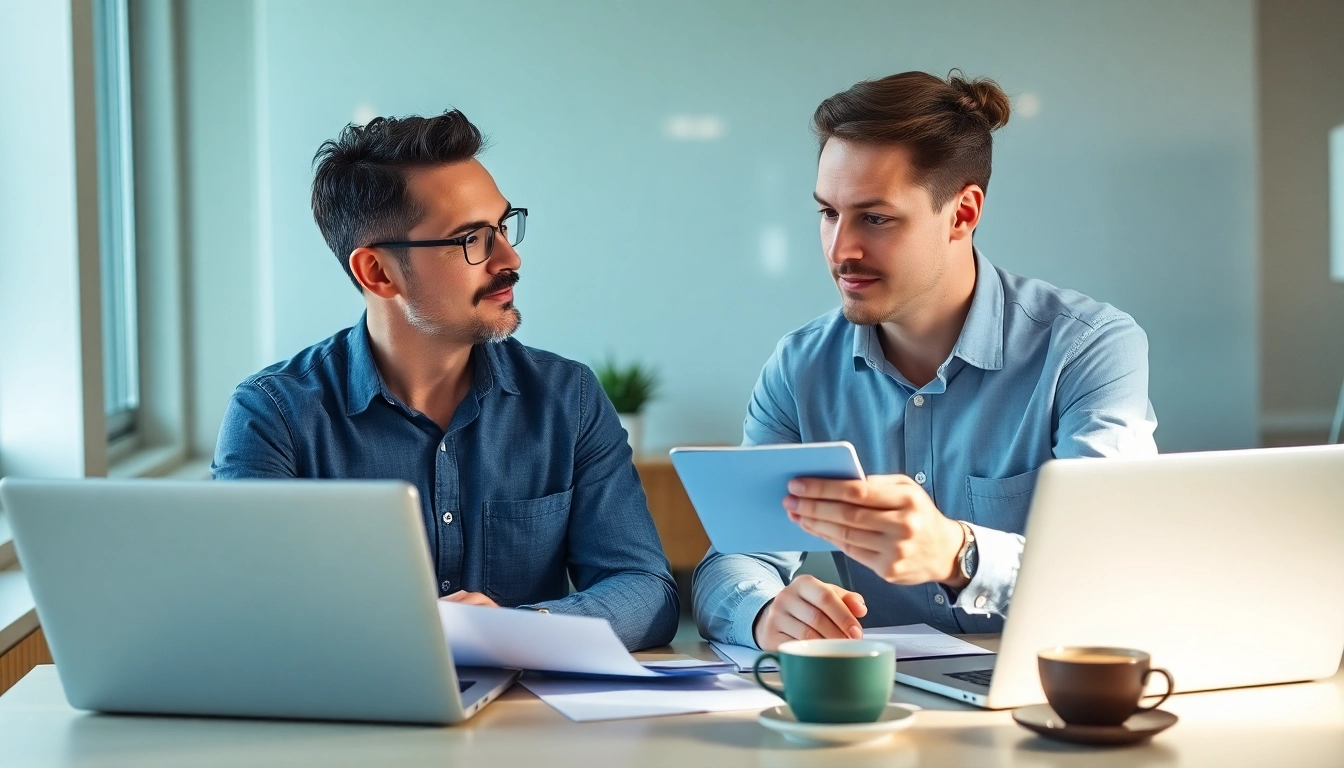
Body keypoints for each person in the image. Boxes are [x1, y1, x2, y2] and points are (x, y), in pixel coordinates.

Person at [692, 71, 1157, 651]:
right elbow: (736, 558)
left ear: (963, 213)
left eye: (875, 218)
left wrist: (958, 552)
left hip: (1048, 694)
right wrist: (765, 611)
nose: (841, 252)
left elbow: (1111, 564)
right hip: (886, 708)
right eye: (828, 214)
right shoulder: (798, 368)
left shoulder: (1089, 349)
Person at [213, 110, 678, 650]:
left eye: (503, 227)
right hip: (349, 722)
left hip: (527, 727)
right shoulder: (272, 416)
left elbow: (646, 593)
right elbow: (254, 612)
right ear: (378, 273)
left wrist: (513, 630)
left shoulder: (566, 399)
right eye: (472, 240)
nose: (510, 257)